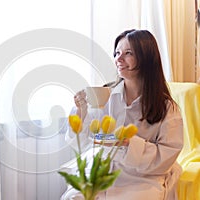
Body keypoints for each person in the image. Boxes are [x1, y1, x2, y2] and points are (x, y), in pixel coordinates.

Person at [62, 29, 183, 200]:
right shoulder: (106, 95)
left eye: (128, 53)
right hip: (103, 171)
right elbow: (83, 141)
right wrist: (81, 113)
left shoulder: (166, 107)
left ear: (146, 59)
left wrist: (129, 143)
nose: (119, 59)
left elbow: (167, 154)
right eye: (117, 53)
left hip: (141, 177)